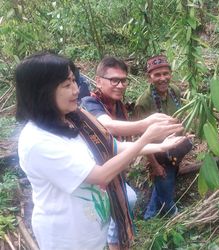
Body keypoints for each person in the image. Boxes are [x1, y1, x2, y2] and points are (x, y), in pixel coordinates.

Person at [16, 52, 185, 249]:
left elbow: (111, 146)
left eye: (74, 81)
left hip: (91, 232)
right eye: (66, 85)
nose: (76, 90)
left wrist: (161, 145)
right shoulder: (39, 141)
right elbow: (101, 175)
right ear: (41, 92)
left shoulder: (72, 119)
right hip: (66, 238)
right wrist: (145, 133)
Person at [81, 56, 176, 249]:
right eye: (113, 80)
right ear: (98, 81)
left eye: (123, 80)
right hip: (97, 172)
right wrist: (146, 126)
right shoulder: (90, 104)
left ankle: (117, 242)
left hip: (116, 167)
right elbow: (107, 127)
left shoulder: (118, 105)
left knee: (124, 206)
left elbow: (117, 145)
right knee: (108, 212)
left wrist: (160, 144)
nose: (120, 85)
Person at [135, 55, 192, 220]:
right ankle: (172, 216)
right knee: (165, 186)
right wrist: (154, 165)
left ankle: (150, 216)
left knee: (165, 183)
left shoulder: (174, 91)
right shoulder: (143, 103)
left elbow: (180, 115)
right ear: (149, 77)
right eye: (157, 75)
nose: (163, 78)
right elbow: (142, 139)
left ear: (171, 74)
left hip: (174, 149)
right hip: (159, 154)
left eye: (166, 74)